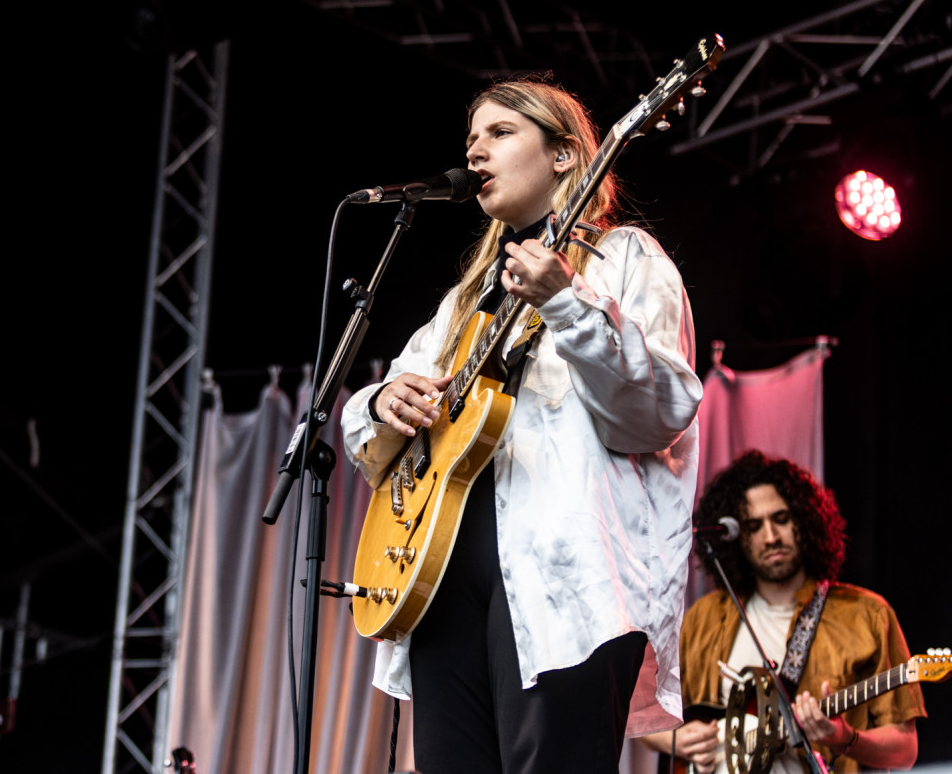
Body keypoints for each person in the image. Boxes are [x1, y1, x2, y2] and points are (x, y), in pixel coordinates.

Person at [340, 77, 704, 774]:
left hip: (564, 582)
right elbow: (371, 421)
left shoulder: (626, 259)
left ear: (566, 154)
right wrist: (384, 402)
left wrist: (566, 303)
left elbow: (656, 414)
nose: (475, 150)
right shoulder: (465, 301)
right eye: (471, 137)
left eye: (500, 133)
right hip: (439, 572)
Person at [641, 451, 922, 772]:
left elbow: (905, 749)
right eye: (754, 526)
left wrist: (845, 737)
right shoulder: (704, 617)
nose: (771, 537)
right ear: (737, 537)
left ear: (805, 519)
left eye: (781, 519)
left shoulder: (868, 615)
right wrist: (673, 740)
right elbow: (645, 714)